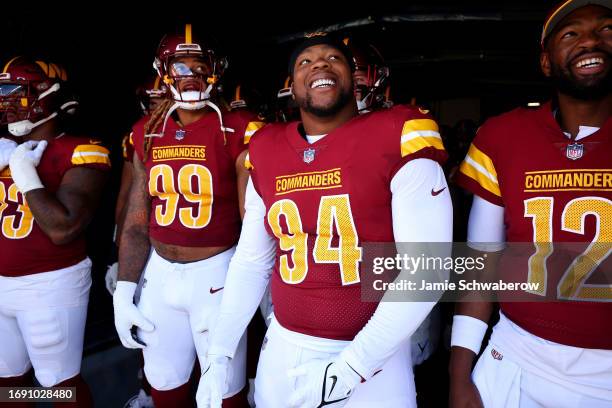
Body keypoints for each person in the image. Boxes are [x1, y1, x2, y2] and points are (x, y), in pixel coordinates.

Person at [197, 32, 452, 408]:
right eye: (305, 61)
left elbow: (427, 271)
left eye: (333, 58)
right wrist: (219, 353)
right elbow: (252, 262)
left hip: (373, 359)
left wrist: (352, 367)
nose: (319, 64)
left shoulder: (398, 133)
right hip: (284, 347)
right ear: (292, 85)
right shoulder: (266, 148)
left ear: (353, 76)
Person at [450, 1, 612, 407]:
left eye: (607, 29)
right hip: (519, 355)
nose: (591, 39)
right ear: (545, 62)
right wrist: (458, 373)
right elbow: (482, 261)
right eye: (571, 34)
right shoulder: (503, 136)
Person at [113, 24, 264, 408]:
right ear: (163, 72)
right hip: (160, 274)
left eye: (200, 65)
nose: (191, 75)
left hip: (217, 273)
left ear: (217, 69)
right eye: (180, 66)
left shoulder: (240, 129)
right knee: (164, 386)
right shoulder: (146, 132)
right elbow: (135, 220)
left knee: (224, 393)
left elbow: (253, 219)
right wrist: (127, 288)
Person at [0, 56, 111, 407]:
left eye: (18, 92)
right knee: (8, 381)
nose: (7, 103)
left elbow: (62, 229)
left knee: (58, 384)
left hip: (49, 286)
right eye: (2, 94)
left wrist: (25, 174)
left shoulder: (80, 150)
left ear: (48, 95)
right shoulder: (4, 149)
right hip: (1, 285)